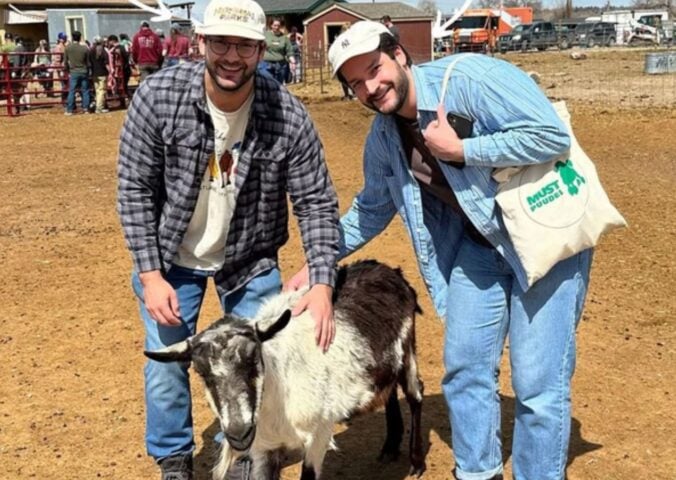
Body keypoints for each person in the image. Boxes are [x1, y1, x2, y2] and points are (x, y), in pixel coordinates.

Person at [286, 21, 593, 480]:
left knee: (537, 385)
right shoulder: (385, 138)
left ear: (400, 55)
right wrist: (319, 262)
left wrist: (464, 149)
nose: (371, 87)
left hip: (543, 244)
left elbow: (550, 135)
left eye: (374, 69)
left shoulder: (471, 79)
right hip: (478, 249)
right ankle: (475, 472)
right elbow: (369, 211)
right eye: (356, 83)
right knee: (465, 369)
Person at [116, 0, 340, 478]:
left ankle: (246, 453)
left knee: (258, 356)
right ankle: (173, 458)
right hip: (172, 255)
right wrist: (150, 274)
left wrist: (322, 281)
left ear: (262, 50)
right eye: (221, 43)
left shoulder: (288, 115)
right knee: (166, 364)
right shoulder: (158, 98)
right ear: (201, 44)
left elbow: (317, 202)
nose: (231, 56)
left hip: (250, 258)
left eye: (244, 45)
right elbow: (133, 188)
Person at [64, 30, 91, 115]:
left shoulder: (68, 48)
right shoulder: (85, 48)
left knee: (72, 91)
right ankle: (86, 108)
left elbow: (65, 61)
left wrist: (68, 70)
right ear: (80, 38)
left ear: (72, 37)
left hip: (74, 71)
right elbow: (88, 62)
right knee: (85, 90)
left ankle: (70, 109)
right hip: (84, 71)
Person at [261, 17, 295, 84]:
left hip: (280, 65)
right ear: (271, 25)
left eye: (278, 25)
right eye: (274, 25)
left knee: (278, 85)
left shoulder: (284, 38)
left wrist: (293, 62)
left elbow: (289, 51)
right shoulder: (265, 35)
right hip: (266, 64)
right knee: (267, 83)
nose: (276, 27)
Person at [107, 34, 132, 106]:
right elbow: (127, 57)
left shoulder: (116, 49)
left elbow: (125, 58)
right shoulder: (122, 48)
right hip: (124, 70)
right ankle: (123, 102)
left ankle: (128, 100)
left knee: (123, 86)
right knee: (122, 86)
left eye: (109, 41)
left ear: (112, 41)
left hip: (121, 71)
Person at [88, 36, 110, 113]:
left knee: (97, 91)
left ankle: (99, 106)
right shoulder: (103, 51)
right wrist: (110, 72)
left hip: (94, 73)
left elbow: (89, 62)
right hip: (102, 73)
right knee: (102, 91)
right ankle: (99, 108)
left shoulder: (91, 51)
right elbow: (106, 63)